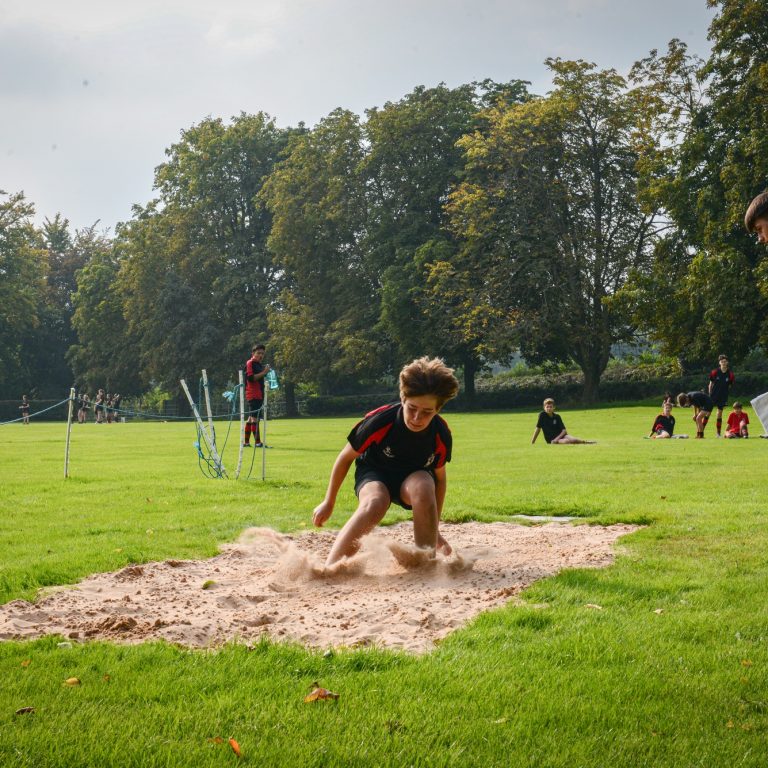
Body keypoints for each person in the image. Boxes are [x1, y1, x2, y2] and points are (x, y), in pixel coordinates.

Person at [312, 356, 459, 567]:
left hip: (412, 480)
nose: (417, 418)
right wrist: (329, 502)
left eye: (427, 412)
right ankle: (332, 567)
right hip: (374, 472)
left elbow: (440, 480)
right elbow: (345, 459)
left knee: (425, 485)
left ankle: (425, 565)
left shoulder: (440, 434)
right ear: (403, 399)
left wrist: (434, 529)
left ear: (438, 410)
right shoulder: (380, 421)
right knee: (376, 502)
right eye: (412, 408)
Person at [531, 398, 596, 444]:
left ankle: (586, 442)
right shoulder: (542, 415)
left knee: (574, 440)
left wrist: (557, 439)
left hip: (560, 436)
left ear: (554, 408)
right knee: (566, 442)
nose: (549, 408)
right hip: (551, 439)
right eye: (547, 407)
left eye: (550, 407)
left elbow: (564, 431)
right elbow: (538, 429)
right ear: (544, 408)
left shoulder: (557, 416)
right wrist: (532, 442)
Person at [243, 344, 270, 447]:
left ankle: (246, 442)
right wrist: (264, 372)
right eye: (258, 353)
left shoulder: (258, 364)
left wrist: (264, 372)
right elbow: (251, 378)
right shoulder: (250, 363)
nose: (260, 355)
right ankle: (258, 443)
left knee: (250, 418)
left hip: (258, 394)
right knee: (255, 418)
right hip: (253, 394)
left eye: (262, 353)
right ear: (253, 353)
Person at [708, 355, 735, 437]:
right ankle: (700, 432)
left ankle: (718, 433)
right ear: (719, 363)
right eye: (722, 361)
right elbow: (710, 384)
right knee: (707, 413)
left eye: (725, 361)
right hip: (713, 396)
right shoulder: (714, 372)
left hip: (723, 397)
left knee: (719, 413)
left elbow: (730, 385)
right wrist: (710, 394)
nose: (723, 363)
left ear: (727, 362)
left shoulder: (730, 374)